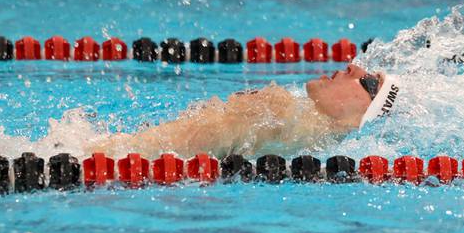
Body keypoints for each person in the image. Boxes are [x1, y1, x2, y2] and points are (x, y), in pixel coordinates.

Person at [92, 64, 401, 159]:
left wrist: (97, 152)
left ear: (361, 114)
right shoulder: (312, 142)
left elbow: (154, 146)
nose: (353, 66)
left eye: (370, 81)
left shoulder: (277, 109)